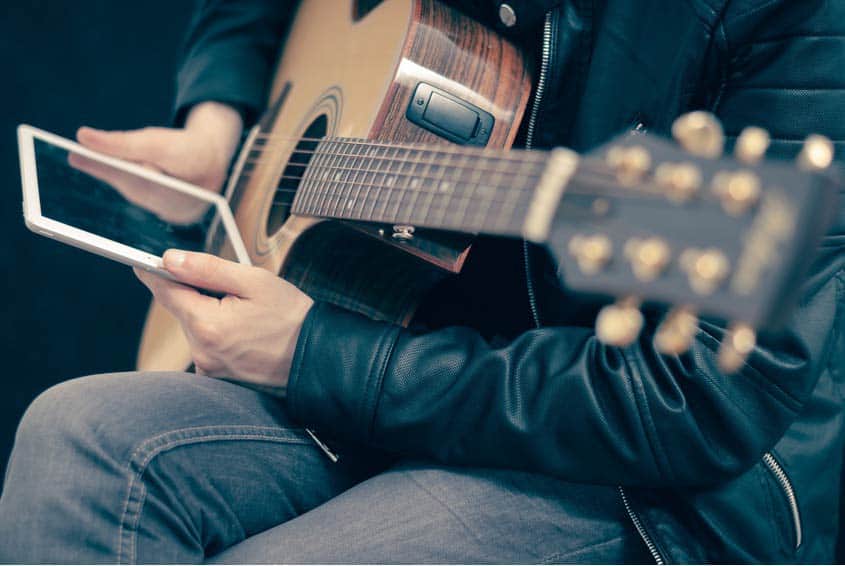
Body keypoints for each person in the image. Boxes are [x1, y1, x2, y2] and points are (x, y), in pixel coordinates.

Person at [1, 0, 844, 563]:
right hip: (394, 336)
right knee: (78, 434)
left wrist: (313, 354)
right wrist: (222, 121)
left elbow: (697, 402)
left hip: (638, 474)